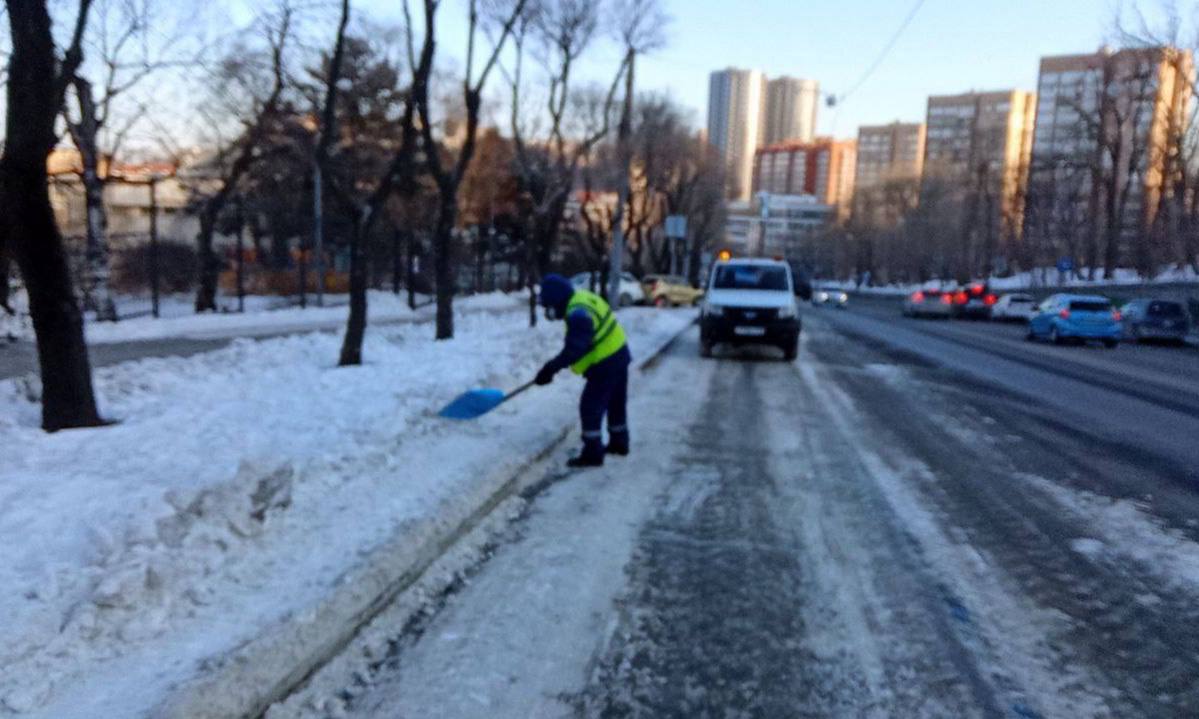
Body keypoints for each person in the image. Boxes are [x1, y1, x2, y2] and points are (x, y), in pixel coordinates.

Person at [535, 274, 632, 468]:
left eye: (548, 307)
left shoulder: (578, 314)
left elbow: (575, 349)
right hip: (619, 354)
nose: (549, 312)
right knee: (615, 402)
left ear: (557, 300)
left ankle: (593, 453)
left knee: (590, 407)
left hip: (605, 362)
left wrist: (550, 369)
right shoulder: (581, 299)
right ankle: (619, 443)